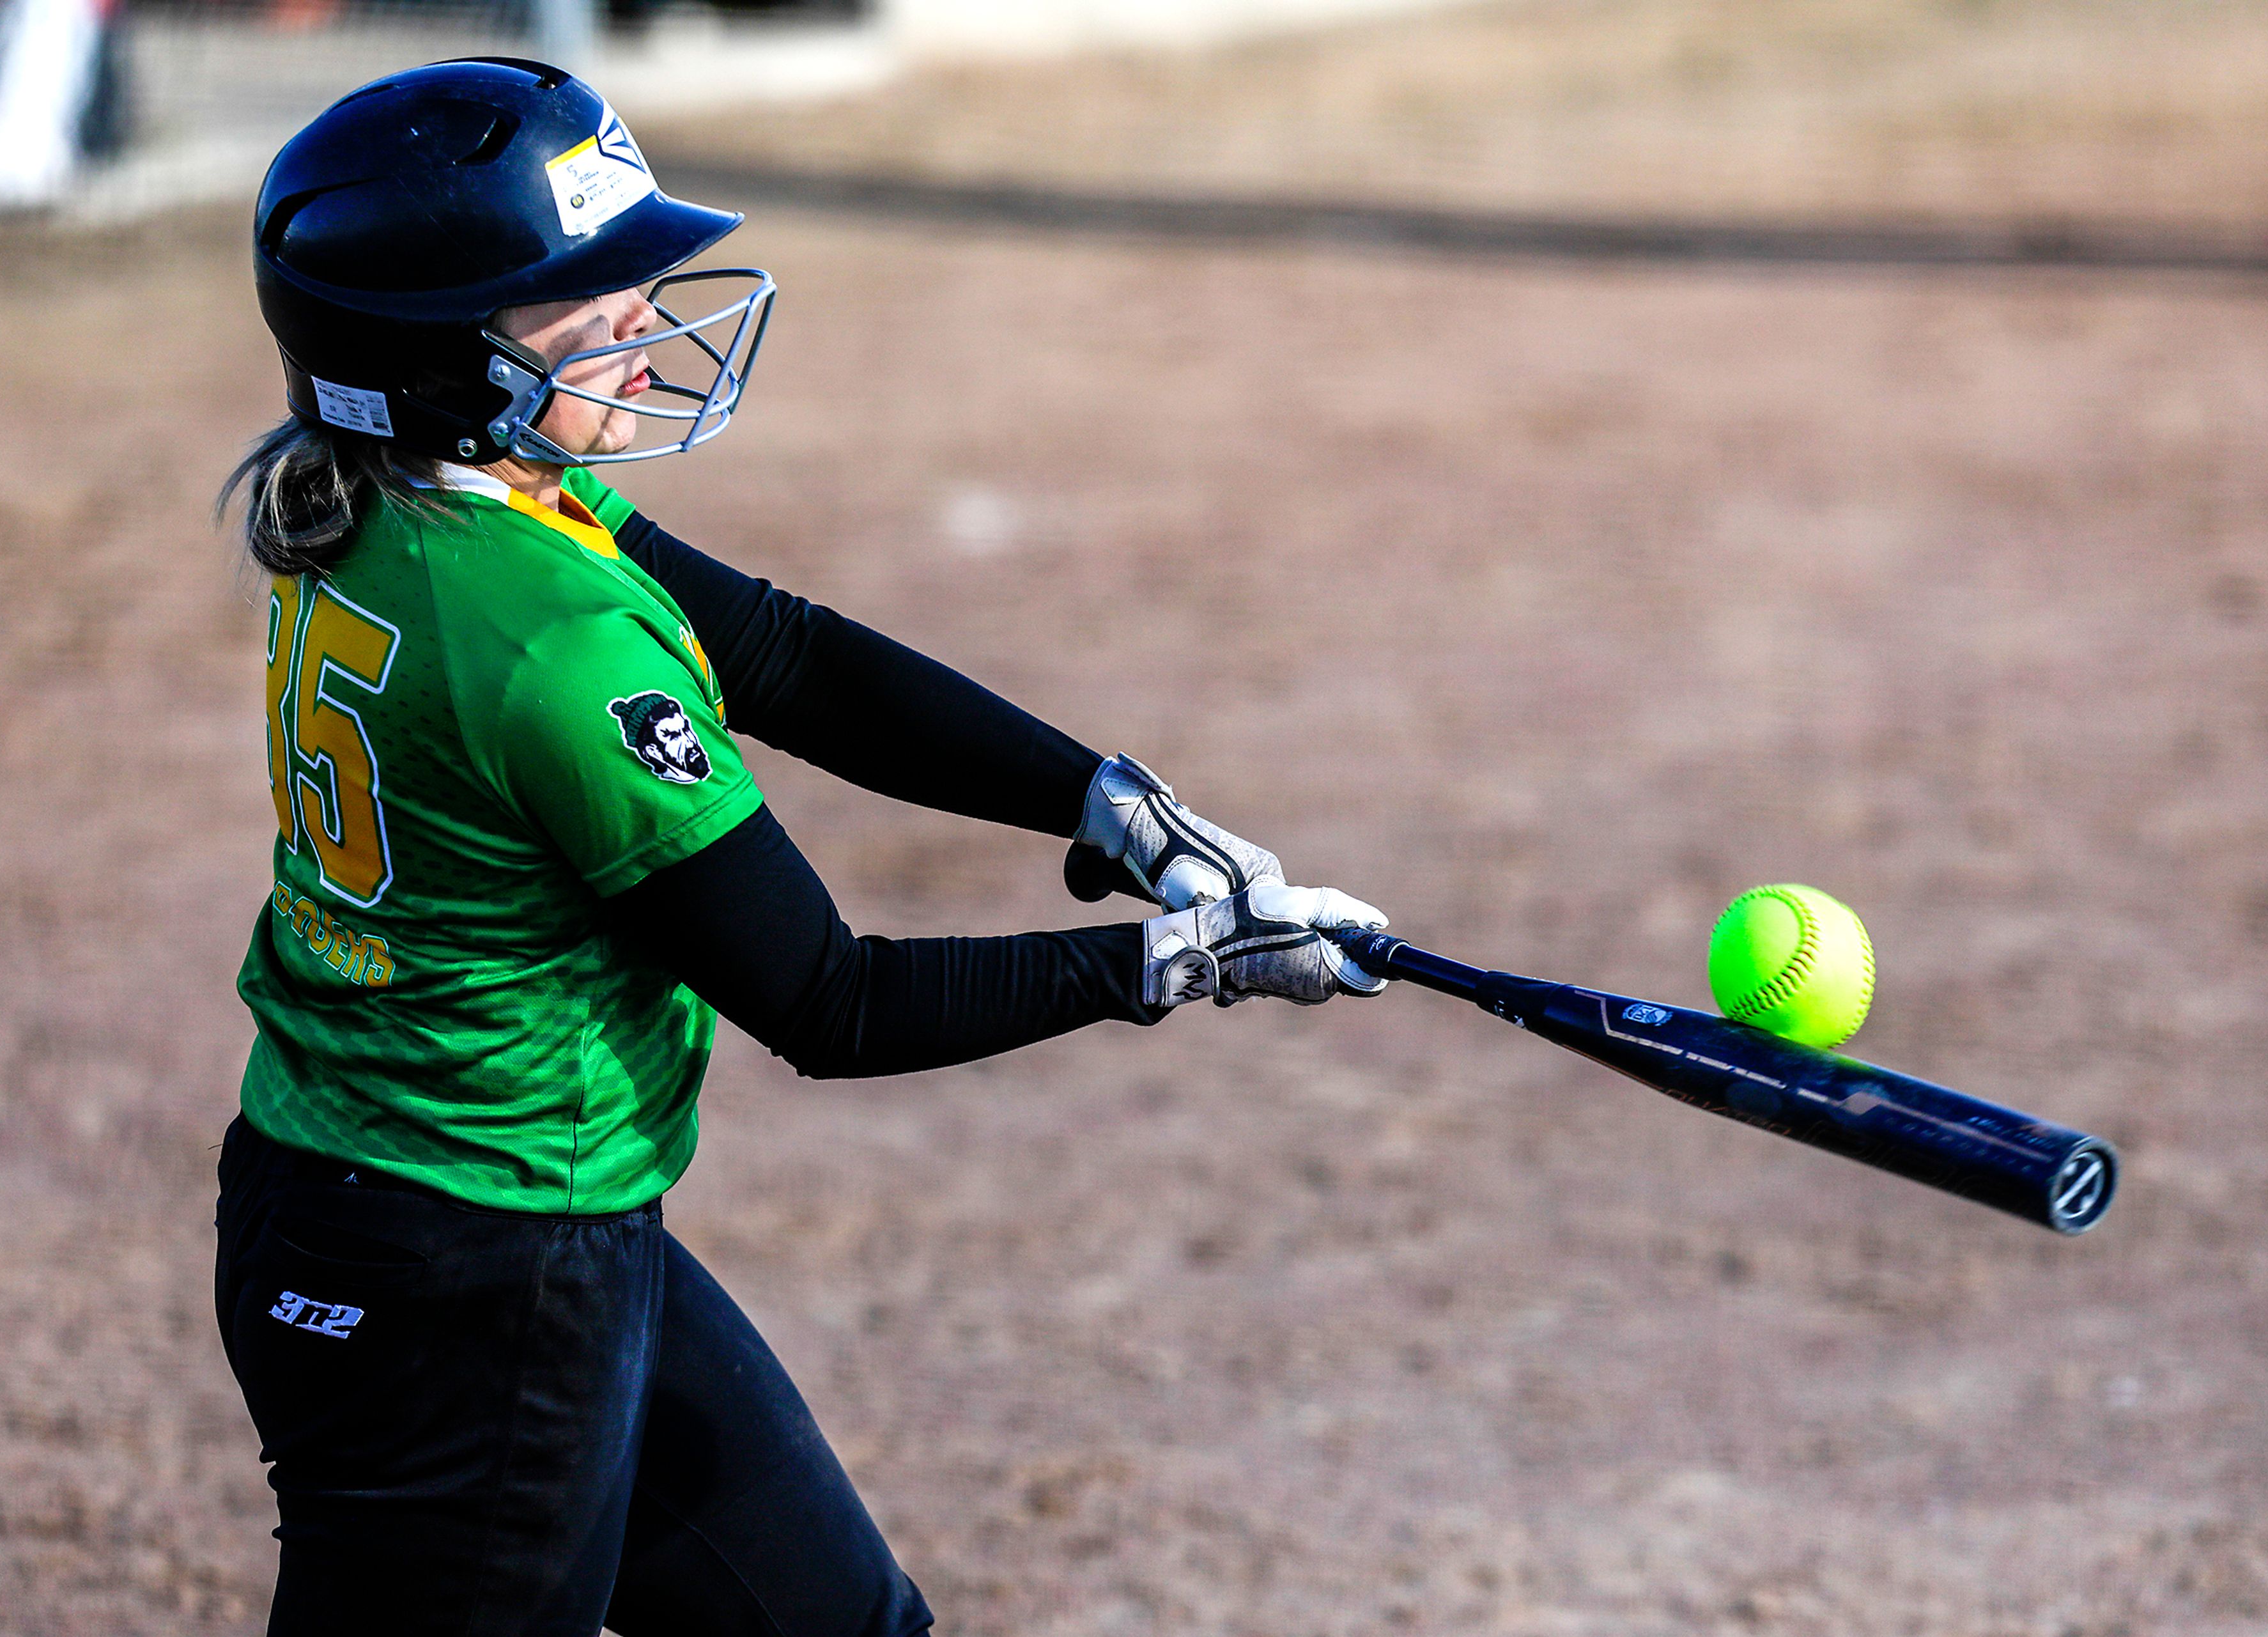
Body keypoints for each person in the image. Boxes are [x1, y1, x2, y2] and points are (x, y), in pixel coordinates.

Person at [215, 56, 1389, 1636]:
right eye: (579, 290)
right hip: (462, 1277)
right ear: (444, 363)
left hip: (472, 1220)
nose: (641, 306)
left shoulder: (424, 505)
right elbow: (831, 1001)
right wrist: (1177, 965)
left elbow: (783, 656)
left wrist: (1104, 800)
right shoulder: (555, 650)